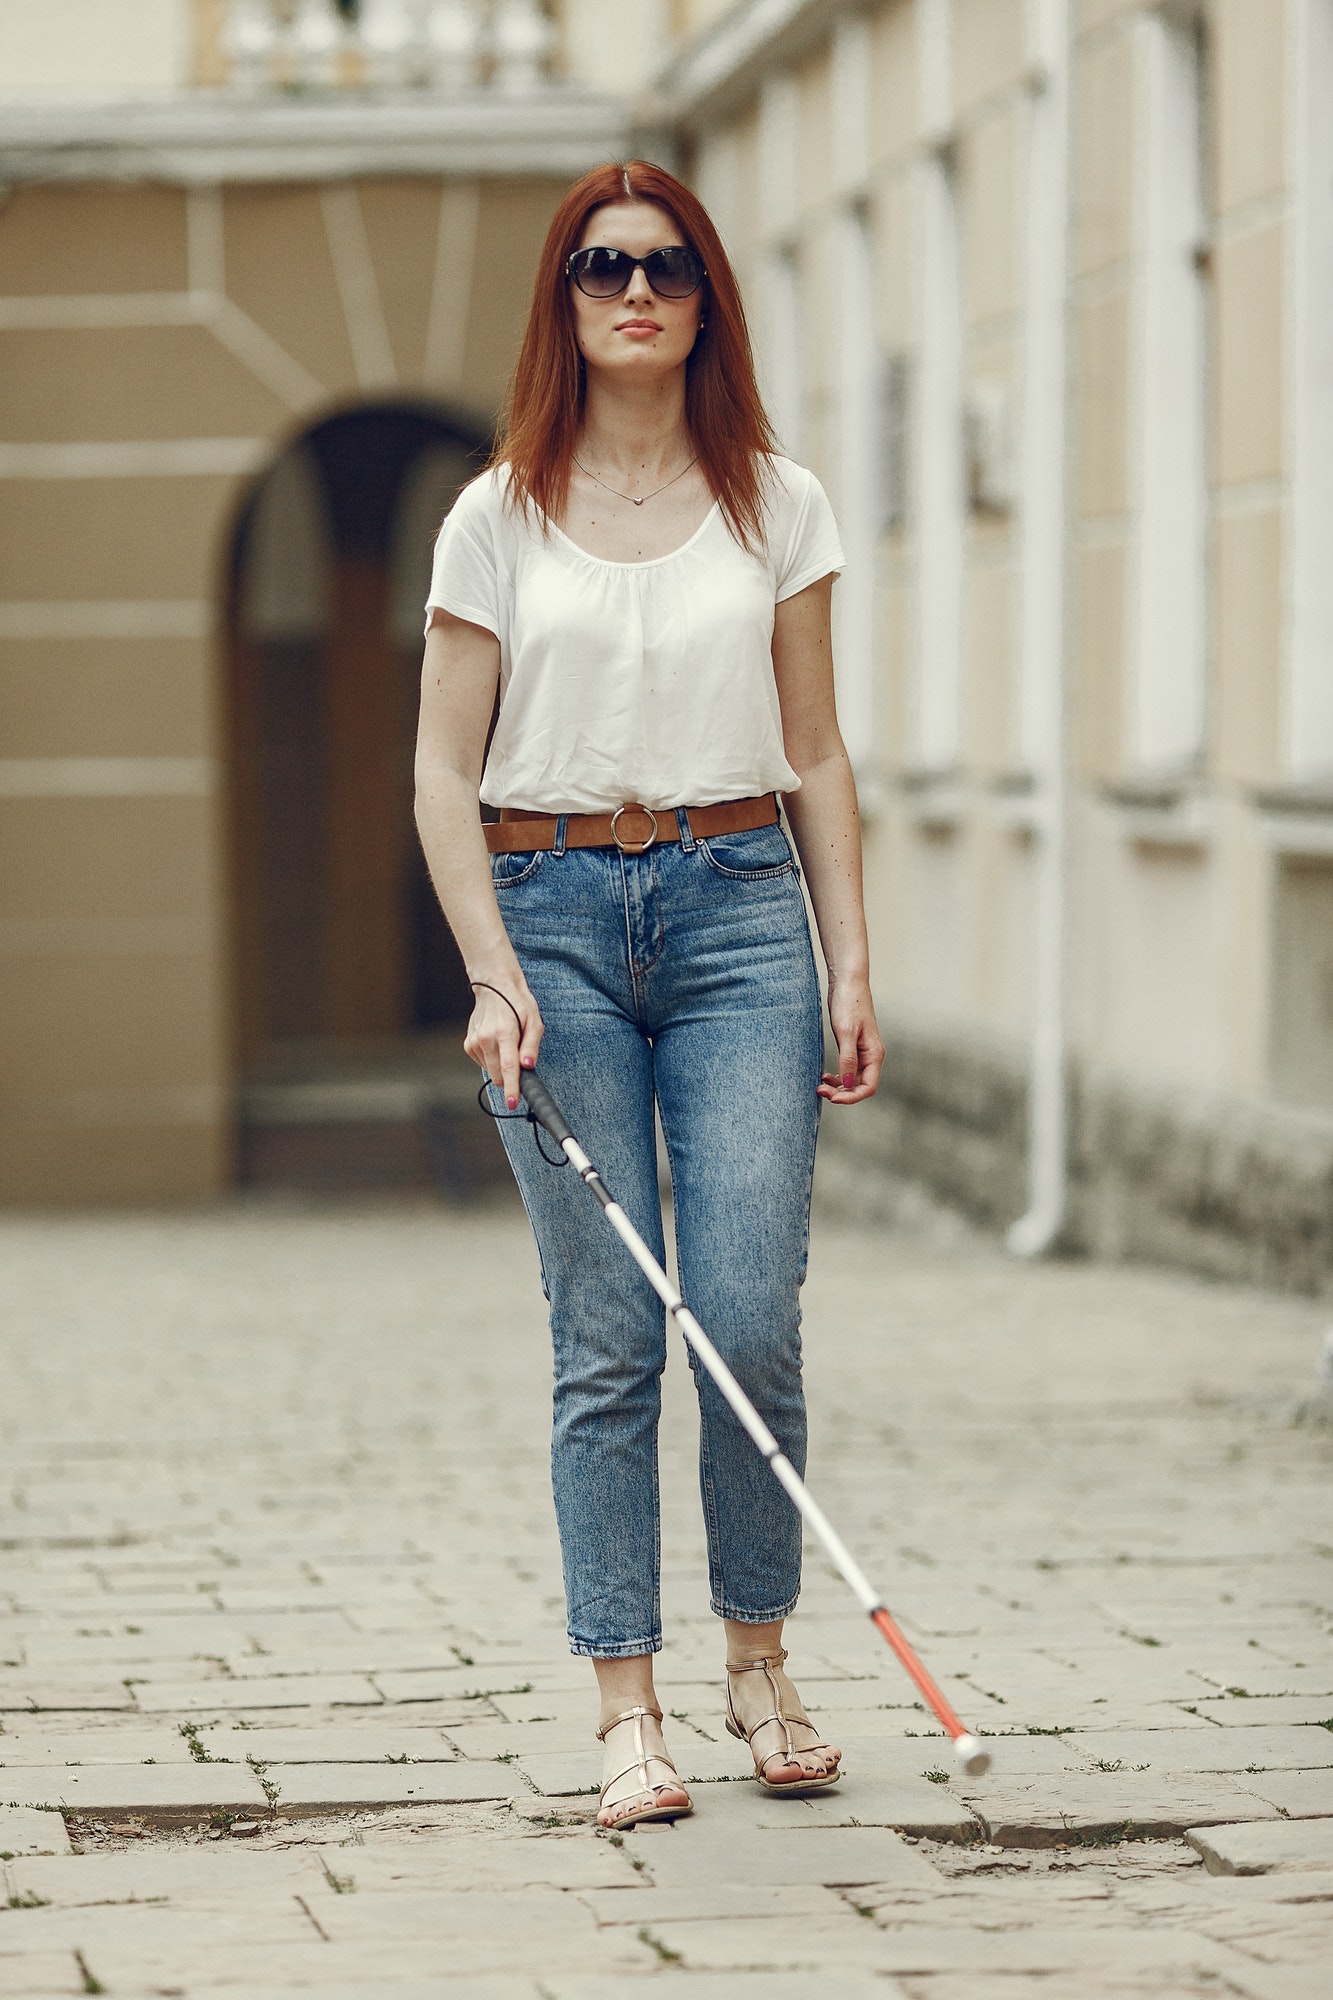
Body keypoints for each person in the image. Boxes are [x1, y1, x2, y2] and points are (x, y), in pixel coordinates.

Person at [415, 160, 884, 1831]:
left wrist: (846, 956)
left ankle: (760, 1660)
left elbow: (817, 750)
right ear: (562, 297)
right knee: (608, 1333)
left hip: (741, 912)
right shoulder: (495, 514)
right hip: (543, 919)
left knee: (746, 1318)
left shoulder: (778, 502)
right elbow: (436, 774)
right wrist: (485, 971)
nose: (637, 291)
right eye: (603, 265)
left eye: (669, 266)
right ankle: (628, 1705)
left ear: (705, 298)